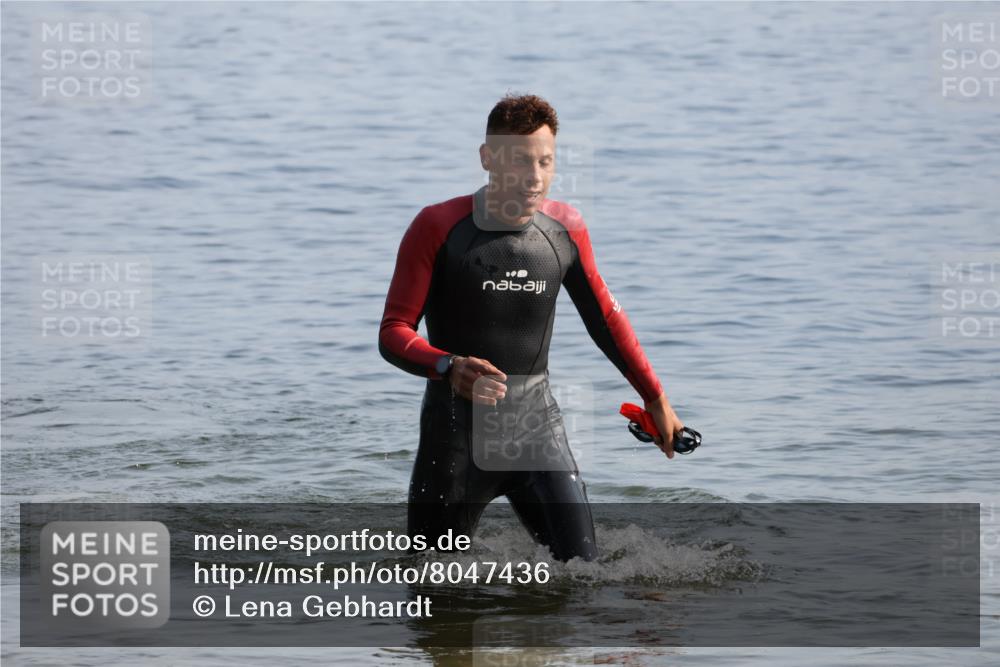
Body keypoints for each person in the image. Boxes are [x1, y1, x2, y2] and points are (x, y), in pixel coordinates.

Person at [378, 93, 684, 563]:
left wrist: (655, 398)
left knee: (584, 578)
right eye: (520, 161)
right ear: (487, 158)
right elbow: (394, 331)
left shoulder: (564, 230)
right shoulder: (438, 226)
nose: (535, 177)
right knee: (436, 600)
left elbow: (606, 319)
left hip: (536, 431)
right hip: (454, 439)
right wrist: (447, 364)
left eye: (545, 161)